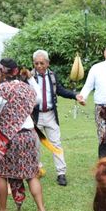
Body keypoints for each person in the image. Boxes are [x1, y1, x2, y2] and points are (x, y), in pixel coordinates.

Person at [0, 58, 47, 211]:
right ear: (16, 71)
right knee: (32, 174)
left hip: (9, 137)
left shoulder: (1, 90)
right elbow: (39, 98)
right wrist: (30, 78)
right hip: (29, 135)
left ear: (2, 72)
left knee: (2, 174)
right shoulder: (27, 89)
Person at [30, 49, 78, 186]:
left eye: (42, 63)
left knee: (56, 143)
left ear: (48, 63)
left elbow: (60, 90)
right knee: (34, 145)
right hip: (35, 117)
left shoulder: (52, 76)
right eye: (36, 63)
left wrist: (75, 95)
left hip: (51, 115)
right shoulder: (29, 77)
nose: (39, 66)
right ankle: (35, 170)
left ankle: (61, 173)